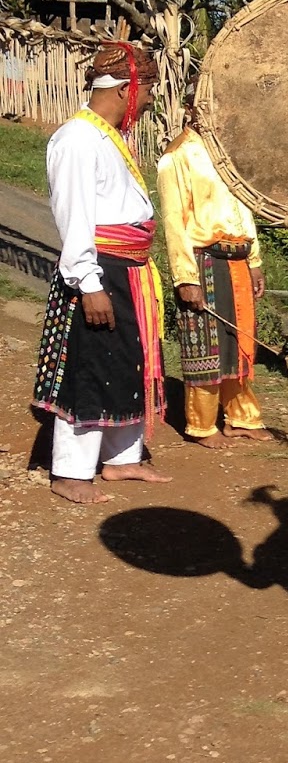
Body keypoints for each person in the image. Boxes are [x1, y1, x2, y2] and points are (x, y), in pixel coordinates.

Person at [32, 41, 172, 504]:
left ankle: (121, 458)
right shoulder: (77, 139)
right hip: (99, 272)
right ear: (126, 89)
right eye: (147, 90)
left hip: (129, 270)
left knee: (127, 361)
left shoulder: (109, 136)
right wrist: (88, 284)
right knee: (90, 365)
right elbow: (74, 217)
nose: (150, 100)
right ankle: (71, 472)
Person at [157, 98, 272, 446]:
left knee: (239, 343)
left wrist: (254, 259)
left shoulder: (229, 152)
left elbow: (244, 208)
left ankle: (242, 417)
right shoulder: (177, 155)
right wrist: (185, 277)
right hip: (203, 259)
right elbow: (173, 221)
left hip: (237, 260)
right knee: (206, 349)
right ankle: (202, 424)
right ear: (190, 107)